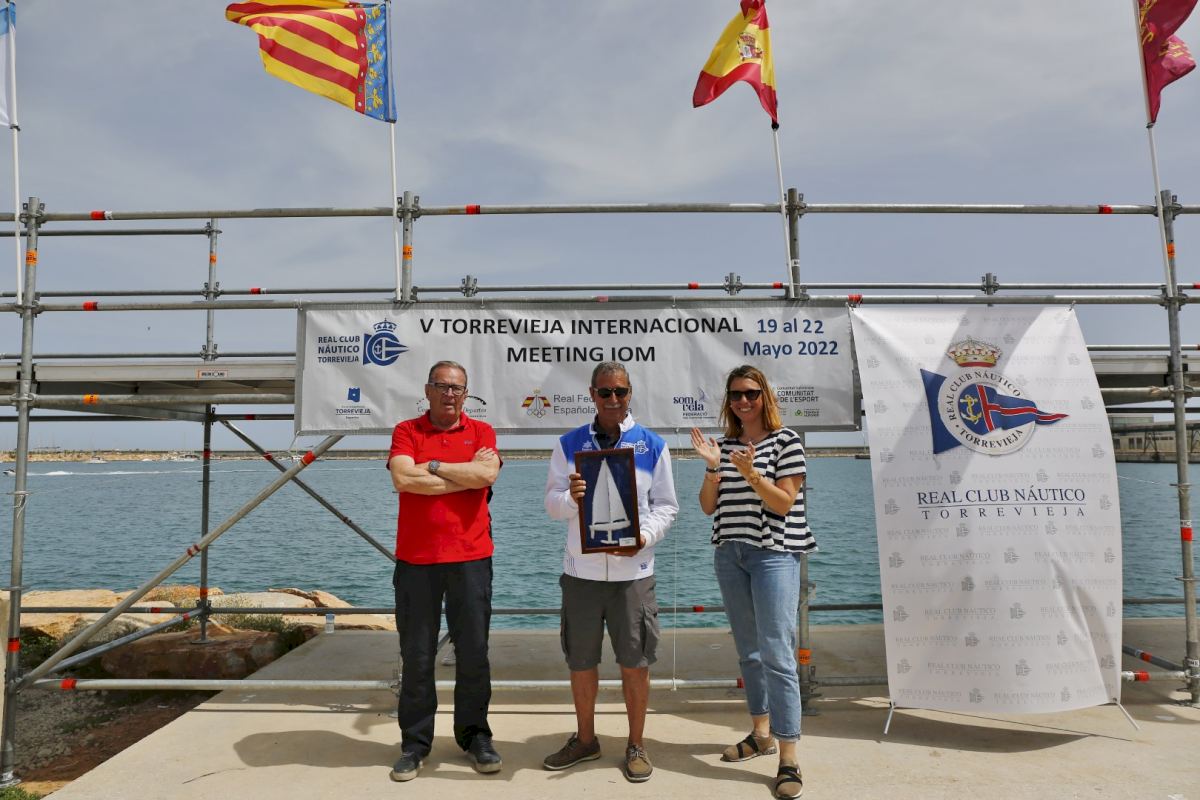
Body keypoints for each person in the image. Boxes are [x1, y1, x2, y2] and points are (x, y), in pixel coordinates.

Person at [542, 361, 679, 783]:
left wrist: (645, 537)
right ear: (592, 395)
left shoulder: (652, 445)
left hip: (633, 576)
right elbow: (551, 504)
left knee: (635, 663)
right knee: (581, 662)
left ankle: (636, 744)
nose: (613, 399)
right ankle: (585, 740)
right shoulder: (568, 444)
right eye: (605, 392)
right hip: (581, 575)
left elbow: (666, 507)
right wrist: (572, 500)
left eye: (620, 391)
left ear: (629, 393)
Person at [690, 364, 814, 800]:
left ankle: (789, 755)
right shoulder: (724, 445)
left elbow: (783, 504)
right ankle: (761, 734)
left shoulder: (786, 441)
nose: (743, 401)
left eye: (751, 393)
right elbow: (708, 507)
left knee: (778, 653)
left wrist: (752, 474)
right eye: (735, 394)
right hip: (730, 553)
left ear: (765, 397)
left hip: (774, 555)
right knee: (749, 651)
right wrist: (713, 468)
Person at [387, 360, 502, 782]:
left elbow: (486, 474)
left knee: (474, 654)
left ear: (466, 394)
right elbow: (403, 479)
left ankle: (475, 737)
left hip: (471, 559)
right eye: (442, 386)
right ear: (428, 390)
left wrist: (432, 466)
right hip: (416, 563)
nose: (450, 394)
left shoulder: (482, 432)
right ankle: (415, 745)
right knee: (417, 656)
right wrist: (462, 476)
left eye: (457, 388)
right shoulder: (406, 431)